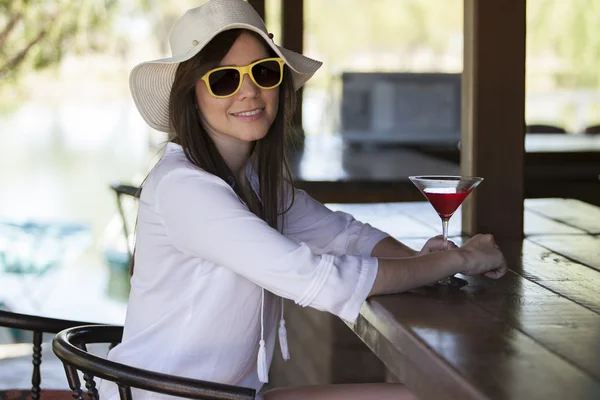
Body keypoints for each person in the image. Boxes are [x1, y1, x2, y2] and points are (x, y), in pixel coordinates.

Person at [99, 0, 508, 399]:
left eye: (263, 72)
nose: (250, 92)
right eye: (225, 79)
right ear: (192, 96)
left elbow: (347, 236)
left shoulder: (255, 184)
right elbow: (318, 278)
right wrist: (457, 260)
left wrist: (424, 266)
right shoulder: (184, 188)